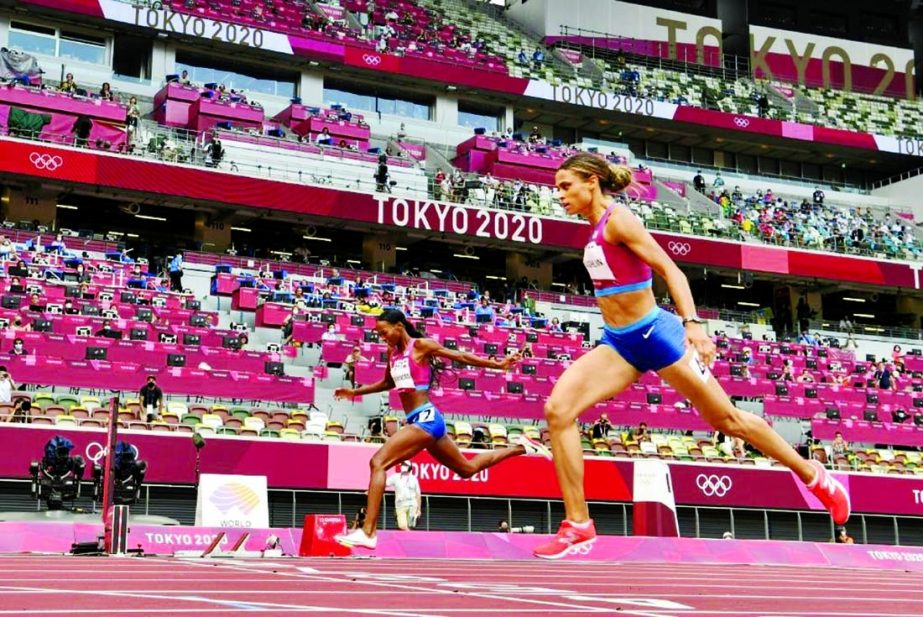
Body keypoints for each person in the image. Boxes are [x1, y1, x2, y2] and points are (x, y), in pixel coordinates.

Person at [533, 153, 850, 559]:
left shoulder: (619, 220)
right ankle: (578, 525)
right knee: (559, 410)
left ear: (592, 182)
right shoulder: (593, 228)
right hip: (619, 343)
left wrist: (693, 324)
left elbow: (673, 271)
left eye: (565, 186)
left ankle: (815, 476)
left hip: (659, 335)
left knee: (728, 420)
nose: (558, 195)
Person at [333, 309, 549, 549]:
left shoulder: (421, 346)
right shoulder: (392, 354)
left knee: (378, 463)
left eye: (384, 332)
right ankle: (522, 448)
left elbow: (460, 356)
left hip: (425, 419)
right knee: (467, 469)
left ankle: (368, 531)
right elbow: (387, 383)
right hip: (423, 422)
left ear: (399, 327)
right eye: (379, 334)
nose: (382, 337)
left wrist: (497, 364)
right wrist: (355, 391)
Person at [386, 460, 421, 530]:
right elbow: (384, 484)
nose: (403, 466)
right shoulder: (395, 477)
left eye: (405, 465)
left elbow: (418, 495)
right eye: (402, 464)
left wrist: (419, 509)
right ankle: (410, 536)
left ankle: (408, 538)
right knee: (402, 526)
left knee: (411, 525)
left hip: (412, 506)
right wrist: (372, 490)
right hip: (400, 506)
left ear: (410, 468)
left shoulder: (414, 479)